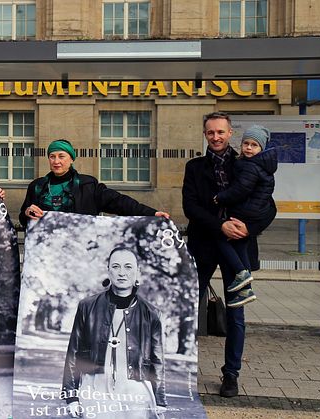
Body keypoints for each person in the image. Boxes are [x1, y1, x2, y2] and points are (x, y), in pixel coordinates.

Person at [182, 111, 257, 398]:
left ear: (230, 133)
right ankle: (182, 368)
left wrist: (248, 227)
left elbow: (265, 206)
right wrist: (220, 225)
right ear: (205, 134)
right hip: (203, 244)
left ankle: (231, 374)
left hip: (237, 248)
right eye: (211, 132)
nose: (215, 137)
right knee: (188, 310)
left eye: (220, 132)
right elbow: (191, 207)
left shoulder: (247, 165)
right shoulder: (195, 167)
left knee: (236, 312)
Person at [62, 246, 166, 419]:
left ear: (137, 271)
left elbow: (158, 359)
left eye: (128, 267)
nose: (122, 273)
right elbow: (74, 353)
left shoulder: (151, 313)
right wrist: (71, 395)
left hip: (135, 390)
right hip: (95, 388)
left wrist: (160, 400)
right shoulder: (87, 306)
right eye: (116, 266)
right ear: (108, 270)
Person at [19, 139, 168, 227]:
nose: (56, 161)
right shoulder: (37, 186)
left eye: (61, 156)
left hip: (81, 252)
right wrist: (27, 213)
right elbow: (24, 217)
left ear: (71, 159)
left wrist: (152, 213)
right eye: (52, 156)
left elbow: (118, 201)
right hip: (45, 254)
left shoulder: (87, 185)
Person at [214, 125, 278, 307]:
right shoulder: (260, 165)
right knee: (240, 242)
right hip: (252, 212)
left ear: (262, 149)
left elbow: (240, 189)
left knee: (222, 237)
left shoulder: (251, 166)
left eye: (254, 145)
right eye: (246, 144)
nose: (249, 148)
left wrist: (220, 198)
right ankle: (246, 289)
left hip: (245, 212)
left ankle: (243, 273)